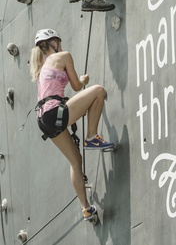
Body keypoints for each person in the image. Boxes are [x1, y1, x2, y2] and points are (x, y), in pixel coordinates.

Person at [31, 28, 114, 222]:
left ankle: (86, 209)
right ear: (54, 43)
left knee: (76, 160)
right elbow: (77, 86)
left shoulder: (42, 67)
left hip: (44, 120)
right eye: (58, 42)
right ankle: (92, 137)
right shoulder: (63, 56)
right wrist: (84, 80)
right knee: (98, 91)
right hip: (54, 112)